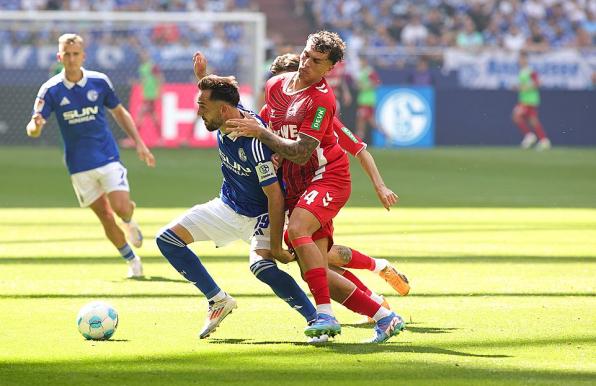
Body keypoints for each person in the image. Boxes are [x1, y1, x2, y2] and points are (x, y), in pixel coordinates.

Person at [228, 31, 405, 343]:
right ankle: (384, 317)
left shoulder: (321, 100)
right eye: (306, 54)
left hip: (328, 176)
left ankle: (324, 314)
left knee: (297, 231)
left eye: (317, 60)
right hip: (296, 184)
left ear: (330, 68)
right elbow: (268, 131)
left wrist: (261, 134)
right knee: (318, 269)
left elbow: (301, 151)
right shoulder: (274, 87)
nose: (306, 63)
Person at [155, 57, 319, 341]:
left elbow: (275, 197)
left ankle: (316, 319)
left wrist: (277, 246)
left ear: (222, 110)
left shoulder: (253, 143)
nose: (198, 114)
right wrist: (203, 75)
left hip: (261, 215)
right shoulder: (226, 113)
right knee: (167, 239)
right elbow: (221, 92)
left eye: (202, 108)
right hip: (227, 205)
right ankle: (218, 300)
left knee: (263, 267)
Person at [267, 53, 410, 299]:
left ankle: (374, 287)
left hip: (317, 187)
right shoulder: (271, 109)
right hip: (290, 189)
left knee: (313, 260)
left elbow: (360, 150)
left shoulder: (320, 116)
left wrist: (380, 186)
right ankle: (377, 285)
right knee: (315, 259)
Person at [26, 33, 155, 278]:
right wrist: (37, 126)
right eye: (67, 54)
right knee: (105, 217)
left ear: (83, 56)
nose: (72, 59)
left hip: (107, 156)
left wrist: (139, 143)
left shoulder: (99, 82)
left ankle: (128, 220)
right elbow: (32, 129)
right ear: (59, 56)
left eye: (76, 54)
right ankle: (132, 261)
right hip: (78, 165)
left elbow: (120, 112)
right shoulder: (50, 90)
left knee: (120, 208)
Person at [512, 51, 551, 150]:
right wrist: (518, 87)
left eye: (521, 59)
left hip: (529, 100)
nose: (519, 61)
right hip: (525, 99)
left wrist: (524, 87)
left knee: (516, 116)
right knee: (532, 120)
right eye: (519, 59)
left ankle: (530, 136)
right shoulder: (522, 71)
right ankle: (543, 140)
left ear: (525, 59)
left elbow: (538, 83)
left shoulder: (530, 71)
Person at [135, 51, 163, 132]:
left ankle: (134, 137)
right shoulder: (141, 67)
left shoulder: (152, 66)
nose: (143, 56)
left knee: (140, 113)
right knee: (153, 115)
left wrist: (159, 91)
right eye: (141, 55)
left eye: (144, 54)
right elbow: (143, 80)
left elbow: (159, 78)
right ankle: (160, 137)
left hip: (152, 94)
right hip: (146, 94)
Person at [355, 56, 381, 142]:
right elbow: (359, 85)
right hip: (362, 100)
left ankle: (386, 135)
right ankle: (359, 140)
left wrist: (365, 86)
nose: (360, 63)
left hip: (368, 100)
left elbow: (377, 83)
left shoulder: (369, 71)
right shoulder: (361, 72)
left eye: (361, 61)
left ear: (365, 61)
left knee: (365, 120)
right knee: (362, 120)